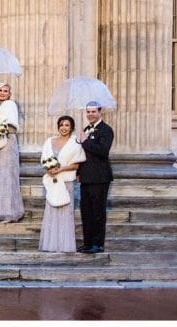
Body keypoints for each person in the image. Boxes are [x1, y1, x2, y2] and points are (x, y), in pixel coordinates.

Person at [39, 115, 86, 252]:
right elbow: (44, 160)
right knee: (52, 211)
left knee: (66, 212)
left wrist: (61, 169)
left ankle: (65, 245)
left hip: (66, 181)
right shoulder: (49, 141)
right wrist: (49, 169)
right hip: (52, 181)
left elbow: (77, 165)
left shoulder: (75, 142)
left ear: (71, 127)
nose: (64, 128)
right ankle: (51, 244)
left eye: (67, 125)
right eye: (61, 125)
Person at [78, 101, 115, 253]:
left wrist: (85, 141)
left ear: (100, 112)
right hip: (86, 177)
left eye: (93, 112)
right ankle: (87, 242)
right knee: (86, 211)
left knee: (98, 212)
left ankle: (97, 244)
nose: (90, 115)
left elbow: (102, 151)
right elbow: (81, 154)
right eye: (88, 112)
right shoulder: (86, 129)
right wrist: (79, 172)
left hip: (99, 177)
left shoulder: (106, 130)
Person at [0, 82, 24, 223]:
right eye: (0, 90)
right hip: (1, 144)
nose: (2, 93)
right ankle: (2, 211)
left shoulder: (10, 105)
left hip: (8, 142)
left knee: (7, 176)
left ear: (9, 94)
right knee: (1, 176)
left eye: (5, 91)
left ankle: (10, 213)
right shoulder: (1, 105)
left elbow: (8, 125)